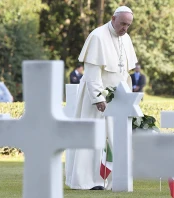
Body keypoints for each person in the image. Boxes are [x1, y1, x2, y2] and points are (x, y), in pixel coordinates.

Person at [65, 6, 137, 191]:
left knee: (117, 138)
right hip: (96, 98)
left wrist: (128, 96)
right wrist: (98, 98)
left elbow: (124, 72)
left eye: (128, 25)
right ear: (113, 18)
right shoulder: (97, 36)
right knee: (92, 137)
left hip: (119, 99)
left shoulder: (126, 38)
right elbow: (92, 73)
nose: (125, 28)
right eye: (122, 24)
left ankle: (113, 180)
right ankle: (88, 180)